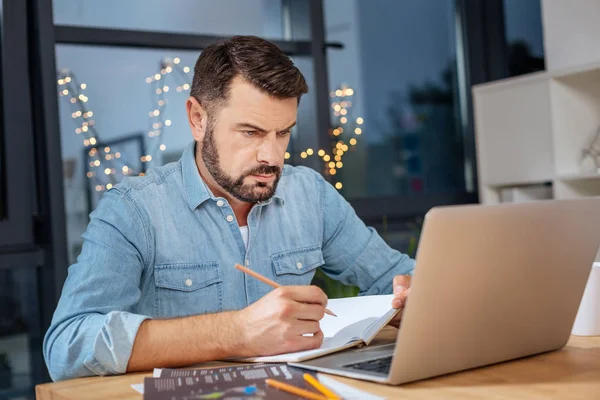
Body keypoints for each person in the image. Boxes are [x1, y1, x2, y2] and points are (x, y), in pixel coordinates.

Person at [43, 35, 415, 381]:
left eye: (283, 132)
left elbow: (397, 278)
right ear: (198, 119)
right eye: (250, 132)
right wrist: (236, 332)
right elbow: (67, 346)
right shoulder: (134, 209)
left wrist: (413, 295)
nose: (271, 156)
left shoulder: (310, 195)